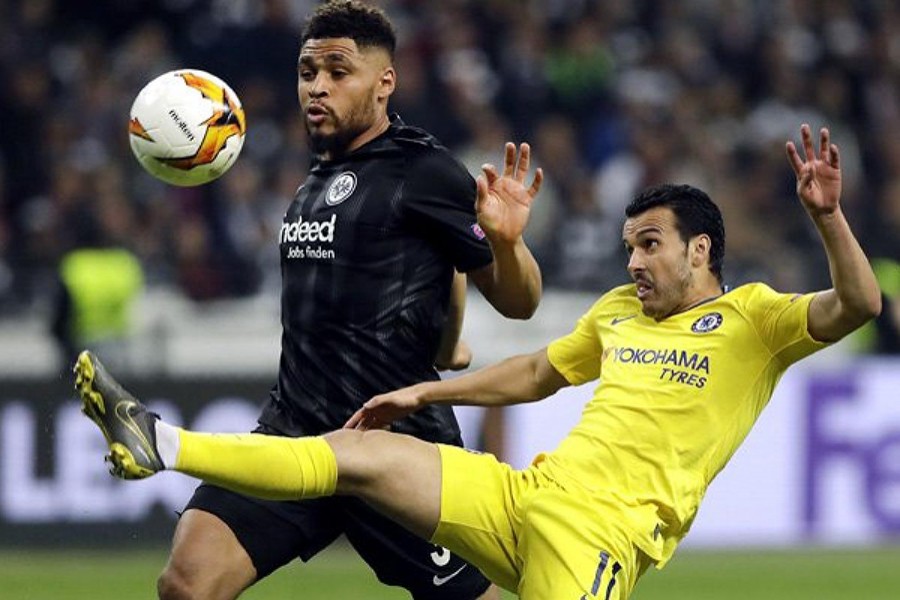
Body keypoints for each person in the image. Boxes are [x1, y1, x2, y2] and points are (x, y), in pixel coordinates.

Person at [76, 124, 881, 599]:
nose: (631, 262)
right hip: (521, 497)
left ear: (701, 249)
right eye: (627, 245)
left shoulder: (755, 320)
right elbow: (535, 373)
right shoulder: (618, 313)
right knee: (359, 453)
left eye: (649, 245)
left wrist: (829, 218)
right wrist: (426, 388)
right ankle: (162, 442)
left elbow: (858, 305)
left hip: (599, 541)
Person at [144, 2, 545, 599]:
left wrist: (507, 246)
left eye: (338, 71)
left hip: (394, 443)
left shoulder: (424, 169)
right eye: (308, 72)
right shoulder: (311, 182)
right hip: (296, 433)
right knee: (188, 582)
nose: (318, 87)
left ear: (385, 82)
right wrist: (446, 336)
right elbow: (427, 273)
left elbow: (520, 302)